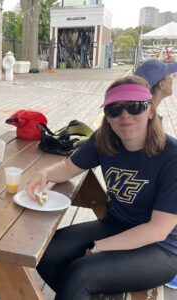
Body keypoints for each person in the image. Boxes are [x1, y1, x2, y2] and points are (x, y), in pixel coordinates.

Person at [26, 76, 177, 299]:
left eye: (135, 106)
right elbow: (69, 168)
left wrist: (100, 247)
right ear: (107, 116)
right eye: (114, 109)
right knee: (45, 252)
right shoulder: (104, 140)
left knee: (82, 273)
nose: (125, 115)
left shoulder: (171, 156)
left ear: (151, 111)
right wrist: (44, 174)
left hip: (162, 247)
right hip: (116, 224)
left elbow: (158, 229)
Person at [135, 60, 177, 290]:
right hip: (152, 227)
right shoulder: (146, 122)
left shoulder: (147, 116)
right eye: (170, 76)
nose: (173, 79)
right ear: (161, 84)